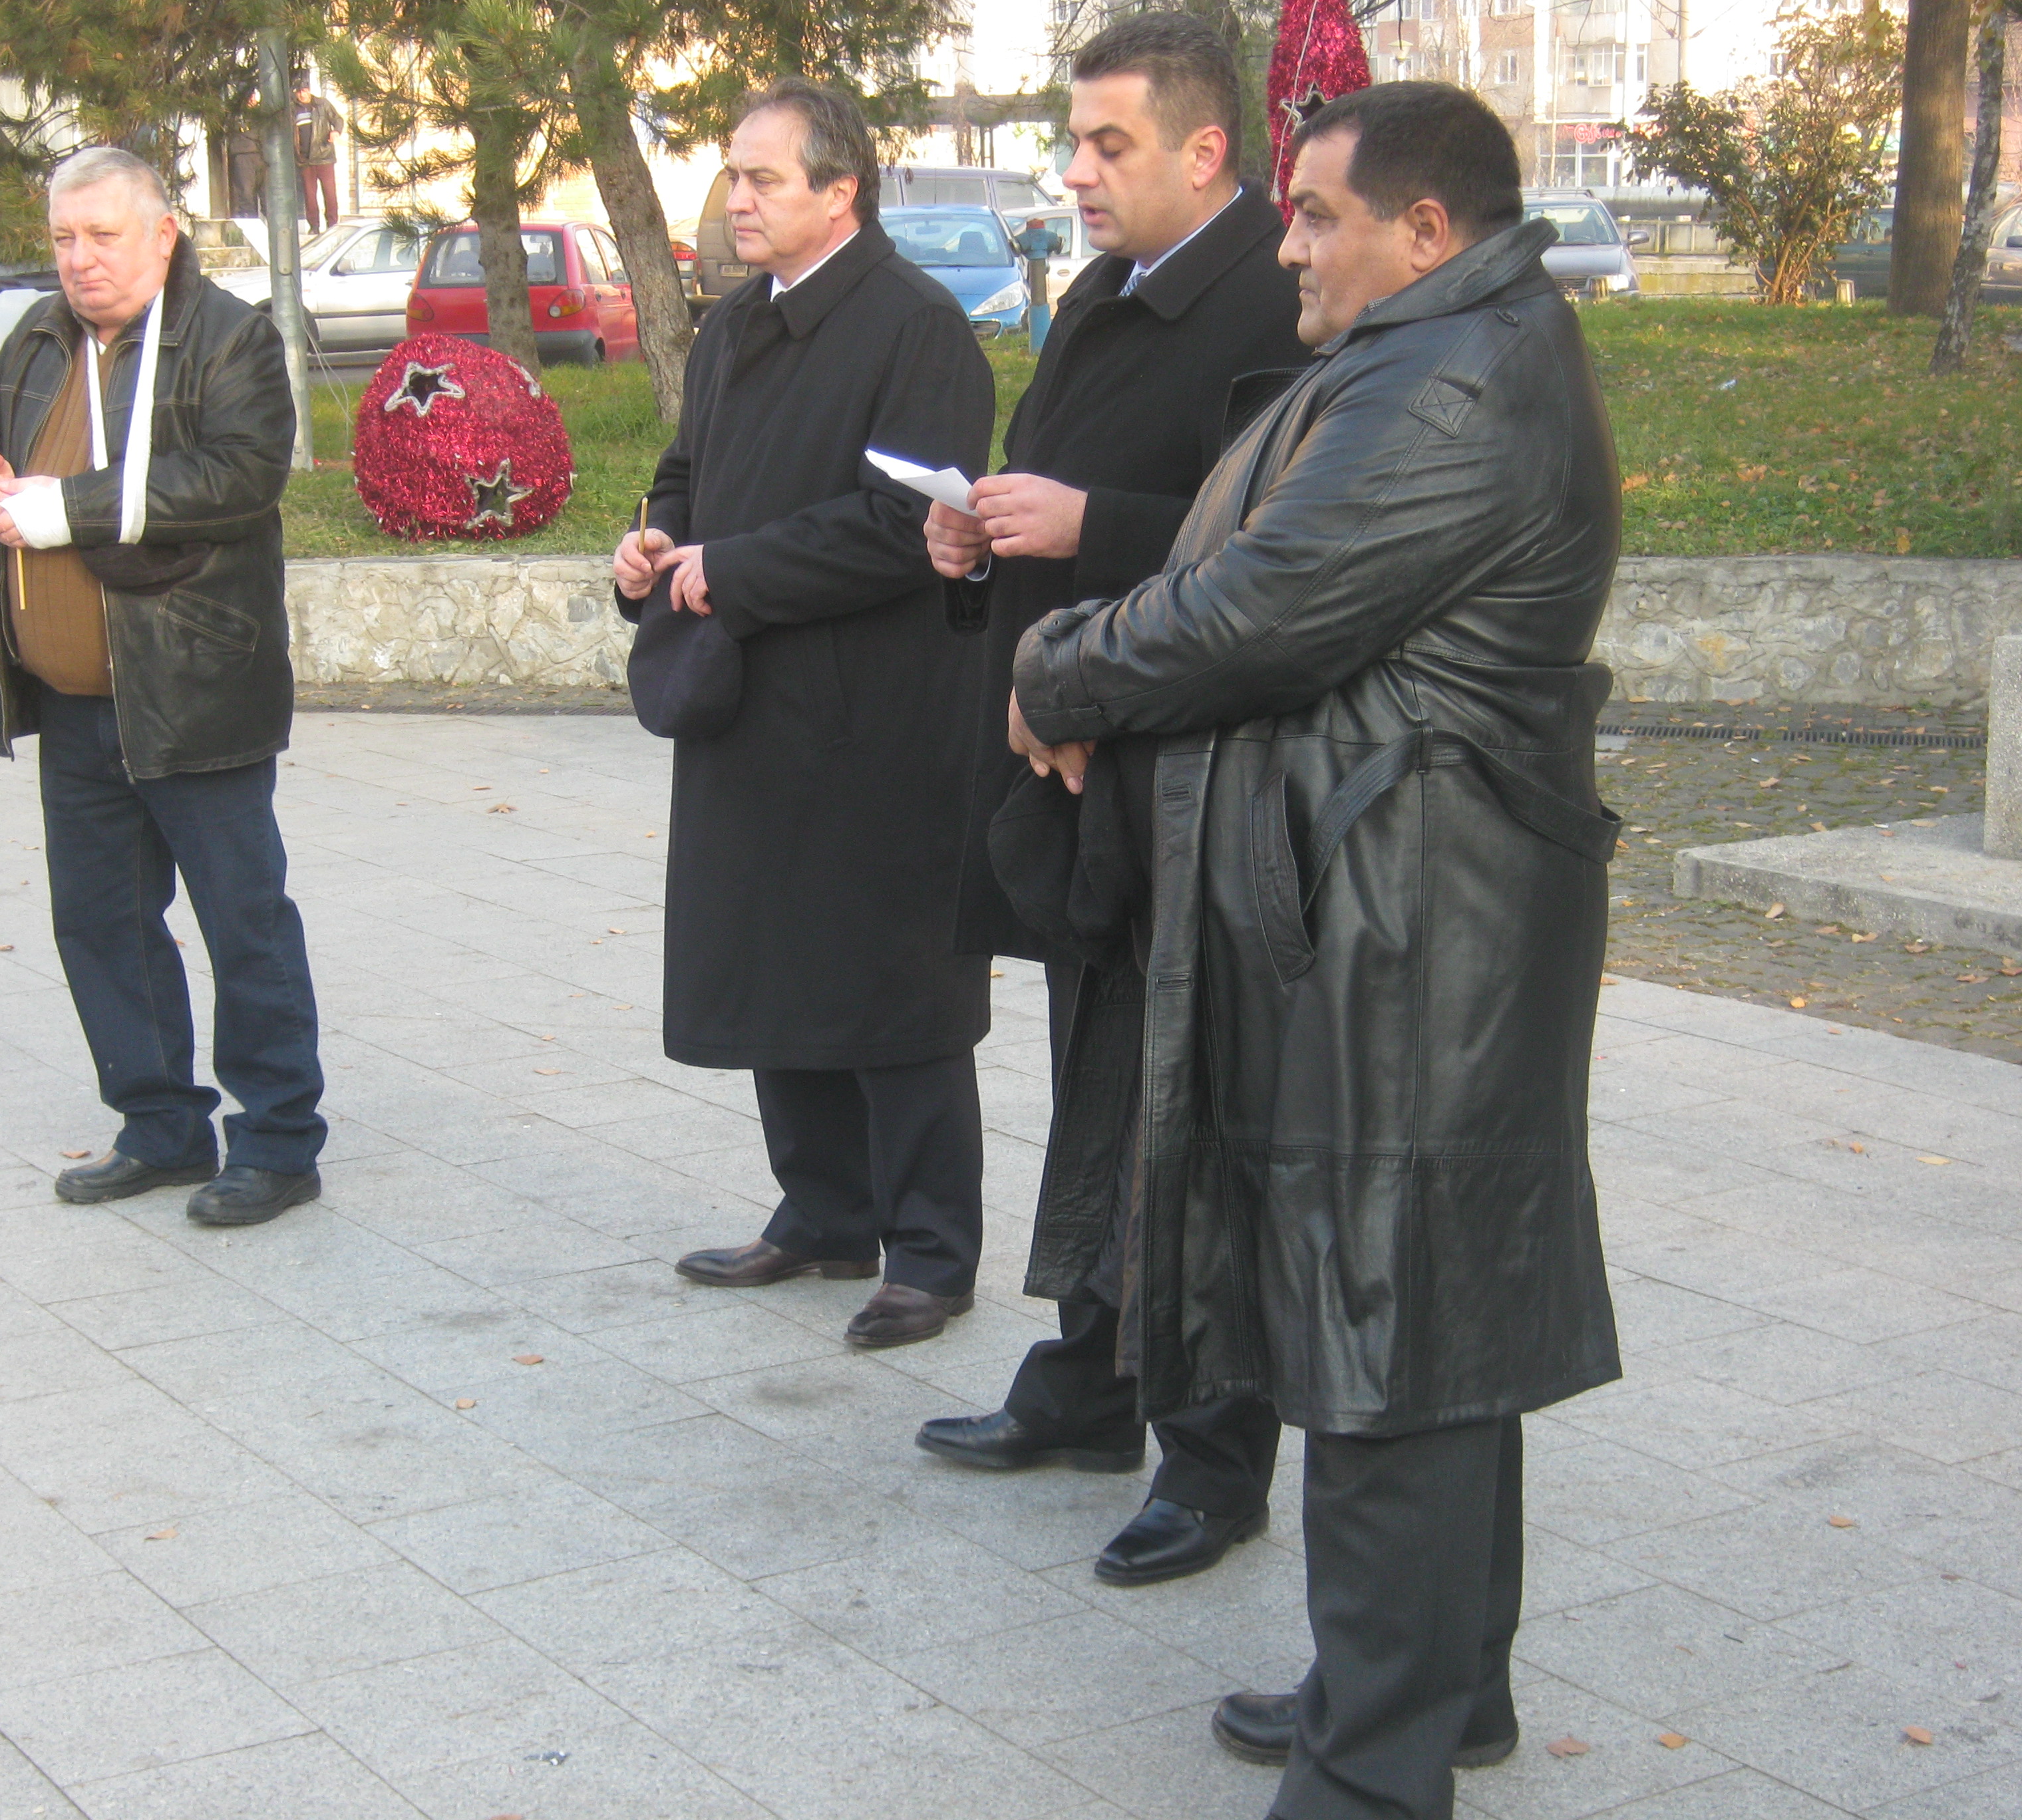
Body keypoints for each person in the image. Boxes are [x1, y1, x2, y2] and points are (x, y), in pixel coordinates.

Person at [1003, 84, 1622, 1819]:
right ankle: (1428, 1693)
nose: (1289, 244)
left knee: (1390, 1332)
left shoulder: (1453, 380)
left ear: (1424, 231)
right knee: (1430, 1319)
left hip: (1419, 926)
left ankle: (1373, 1774)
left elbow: (1258, 608)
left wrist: (1059, 666)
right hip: (1401, 898)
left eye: (1319, 215)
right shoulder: (1444, 346)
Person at [912, 12, 1311, 1591]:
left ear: (1207, 150)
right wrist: (979, 537)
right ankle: (1091, 1379)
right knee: (1099, 1084)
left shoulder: (1278, 298)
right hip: (1076, 757)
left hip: (1198, 774)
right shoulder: (1099, 290)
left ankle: (1214, 1458)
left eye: (1108, 144)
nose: (1074, 172)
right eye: (1072, 142)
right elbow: (1055, 497)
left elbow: (1281, 556)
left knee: (1193, 1117)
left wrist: (1091, 526)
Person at [613, 79, 997, 1349]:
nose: (735, 199)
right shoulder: (732, 325)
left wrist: (731, 568)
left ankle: (930, 1250)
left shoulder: (916, 327)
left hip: (876, 718)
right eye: (732, 175)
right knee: (775, 959)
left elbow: (906, 524)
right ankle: (825, 1213)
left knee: (892, 985)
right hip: (749, 702)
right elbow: (685, 472)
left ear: (840, 192)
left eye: (761, 178)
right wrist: (655, 540)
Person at [0, 148, 325, 1229]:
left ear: (162, 235)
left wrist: (68, 509)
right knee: (102, 923)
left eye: (103, 236)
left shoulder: (230, 337)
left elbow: (239, 474)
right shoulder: (39, 337)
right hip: (71, 702)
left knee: (242, 923)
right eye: (64, 238)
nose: (80, 260)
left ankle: (278, 1143)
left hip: (193, 690)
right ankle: (160, 1128)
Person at [293, 80, 345, 233]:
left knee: (330, 193)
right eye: (299, 92)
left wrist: (336, 131)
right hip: (305, 159)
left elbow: (338, 119)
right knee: (310, 196)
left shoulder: (322, 104)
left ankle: (332, 224)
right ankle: (314, 226)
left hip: (324, 156)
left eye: (304, 91)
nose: (302, 95)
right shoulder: (293, 109)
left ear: (309, 90)